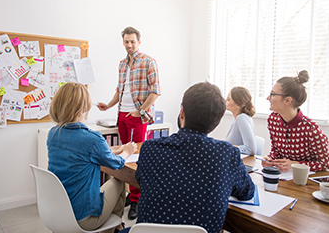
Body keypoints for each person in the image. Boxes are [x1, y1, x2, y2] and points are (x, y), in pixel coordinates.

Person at [121, 82, 255, 233]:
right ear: (217, 121)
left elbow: (141, 179)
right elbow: (247, 193)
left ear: (182, 112)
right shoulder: (227, 154)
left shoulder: (150, 148)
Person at [47, 82, 137, 233]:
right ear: (85, 108)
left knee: (109, 178)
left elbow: (81, 153)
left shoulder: (53, 133)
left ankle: (115, 225)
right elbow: (116, 164)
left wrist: (113, 150)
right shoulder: (92, 138)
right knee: (119, 179)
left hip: (59, 211)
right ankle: (115, 225)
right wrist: (126, 151)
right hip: (83, 218)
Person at [97, 26, 160, 219]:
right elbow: (120, 89)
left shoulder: (149, 61)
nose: (129, 45)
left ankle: (137, 199)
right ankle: (129, 194)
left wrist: (139, 111)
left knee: (136, 159)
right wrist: (108, 105)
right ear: (123, 42)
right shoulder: (122, 63)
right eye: (126, 41)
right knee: (125, 156)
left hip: (138, 116)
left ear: (139, 42)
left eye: (133, 41)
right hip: (121, 115)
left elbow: (155, 91)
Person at [262, 70, 329, 172]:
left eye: (272, 94)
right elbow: (276, 152)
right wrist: (270, 159)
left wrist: (296, 165)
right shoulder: (273, 120)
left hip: (308, 183)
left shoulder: (311, 130)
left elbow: (325, 164)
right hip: (284, 179)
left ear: (288, 100)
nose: (268, 98)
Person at [225, 86, 257, 155]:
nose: (225, 101)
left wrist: (229, 147)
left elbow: (251, 150)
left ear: (238, 105)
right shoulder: (237, 118)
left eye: (228, 99)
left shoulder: (241, 118)